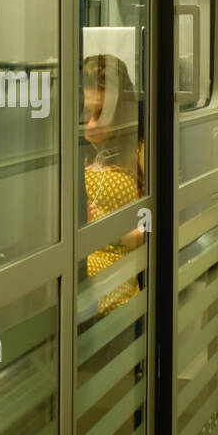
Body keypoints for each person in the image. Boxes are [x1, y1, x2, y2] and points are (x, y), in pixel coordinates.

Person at [82, 53, 144, 315]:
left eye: (101, 114)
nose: (91, 123)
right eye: (85, 113)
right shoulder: (74, 153)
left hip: (118, 295)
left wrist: (109, 228)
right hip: (77, 286)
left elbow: (149, 231)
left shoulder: (138, 153)